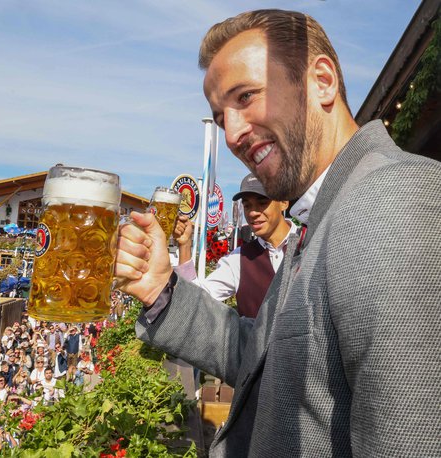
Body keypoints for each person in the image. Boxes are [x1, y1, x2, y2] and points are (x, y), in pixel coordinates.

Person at [114, 9, 440, 457]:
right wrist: (159, 291)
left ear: (322, 81)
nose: (231, 133)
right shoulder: (327, 210)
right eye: (220, 114)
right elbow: (262, 359)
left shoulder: (390, 197)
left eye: (245, 96)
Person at [174, 173, 295, 317]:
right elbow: (195, 302)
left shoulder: (311, 239)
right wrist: (185, 246)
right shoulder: (238, 259)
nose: (253, 213)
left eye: (262, 202)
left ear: (283, 202)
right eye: (247, 205)